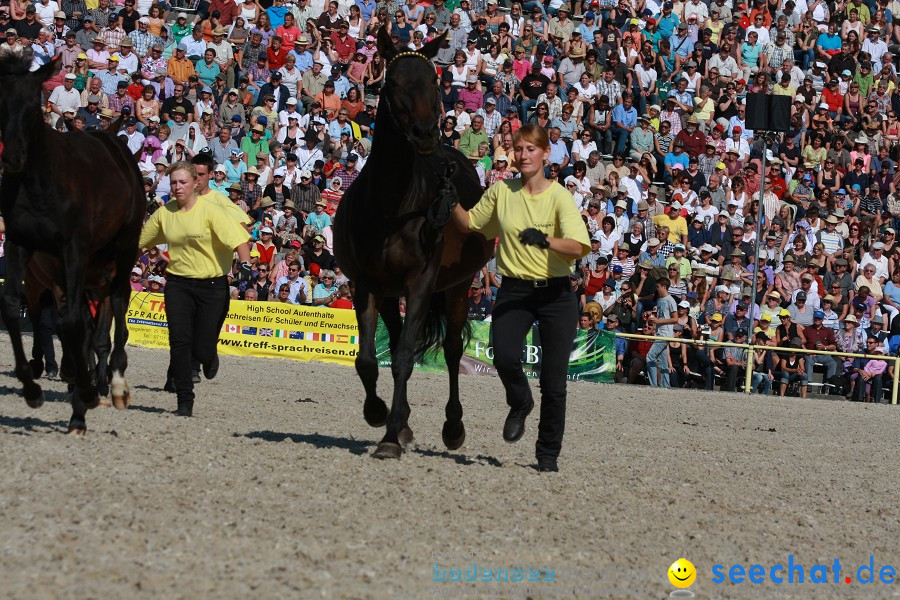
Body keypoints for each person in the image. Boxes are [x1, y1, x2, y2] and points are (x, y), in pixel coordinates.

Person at [451, 124, 590, 473]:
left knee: (554, 382)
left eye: (531, 149)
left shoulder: (559, 196)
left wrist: (544, 241)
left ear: (545, 154)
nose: (523, 155)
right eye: (519, 149)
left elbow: (579, 246)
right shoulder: (502, 192)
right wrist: (450, 198)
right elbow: (470, 224)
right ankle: (520, 400)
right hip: (515, 289)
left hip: (557, 294)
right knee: (506, 357)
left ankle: (547, 455)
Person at [138, 161, 251, 417]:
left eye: (183, 182)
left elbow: (240, 241)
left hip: (212, 285)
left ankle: (209, 355)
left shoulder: (212, 211)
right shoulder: (165, 214)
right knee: (179, 342)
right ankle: (184, 400)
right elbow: (141, 244)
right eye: (174, 182)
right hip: (178, 283)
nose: (177, 187)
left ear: (194, 183)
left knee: (201, 348)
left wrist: (244, 264)